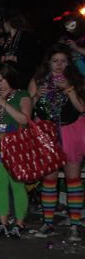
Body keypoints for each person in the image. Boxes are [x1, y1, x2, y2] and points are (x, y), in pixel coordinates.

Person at [28, 44, 85, 240]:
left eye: (63, 61)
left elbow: (82, 107)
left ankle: (75, 225)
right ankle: (48, 222)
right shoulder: (39, 79)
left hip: (71, 131)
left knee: (73, 179)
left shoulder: (76, 79)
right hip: (47, 133)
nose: (59, 65)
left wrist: (69, 89)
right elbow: (26, 109)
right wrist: (36, 96)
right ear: (48, 62)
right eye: (55, 61)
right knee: (49, 179)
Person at [0, 62, 32, 238]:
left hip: (15, 146)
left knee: (17, 185)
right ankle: (3, 223)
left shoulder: (22, 95)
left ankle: (19, 224)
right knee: (0, 186)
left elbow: (24, 119)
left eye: (2, 80)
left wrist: (3, 103)